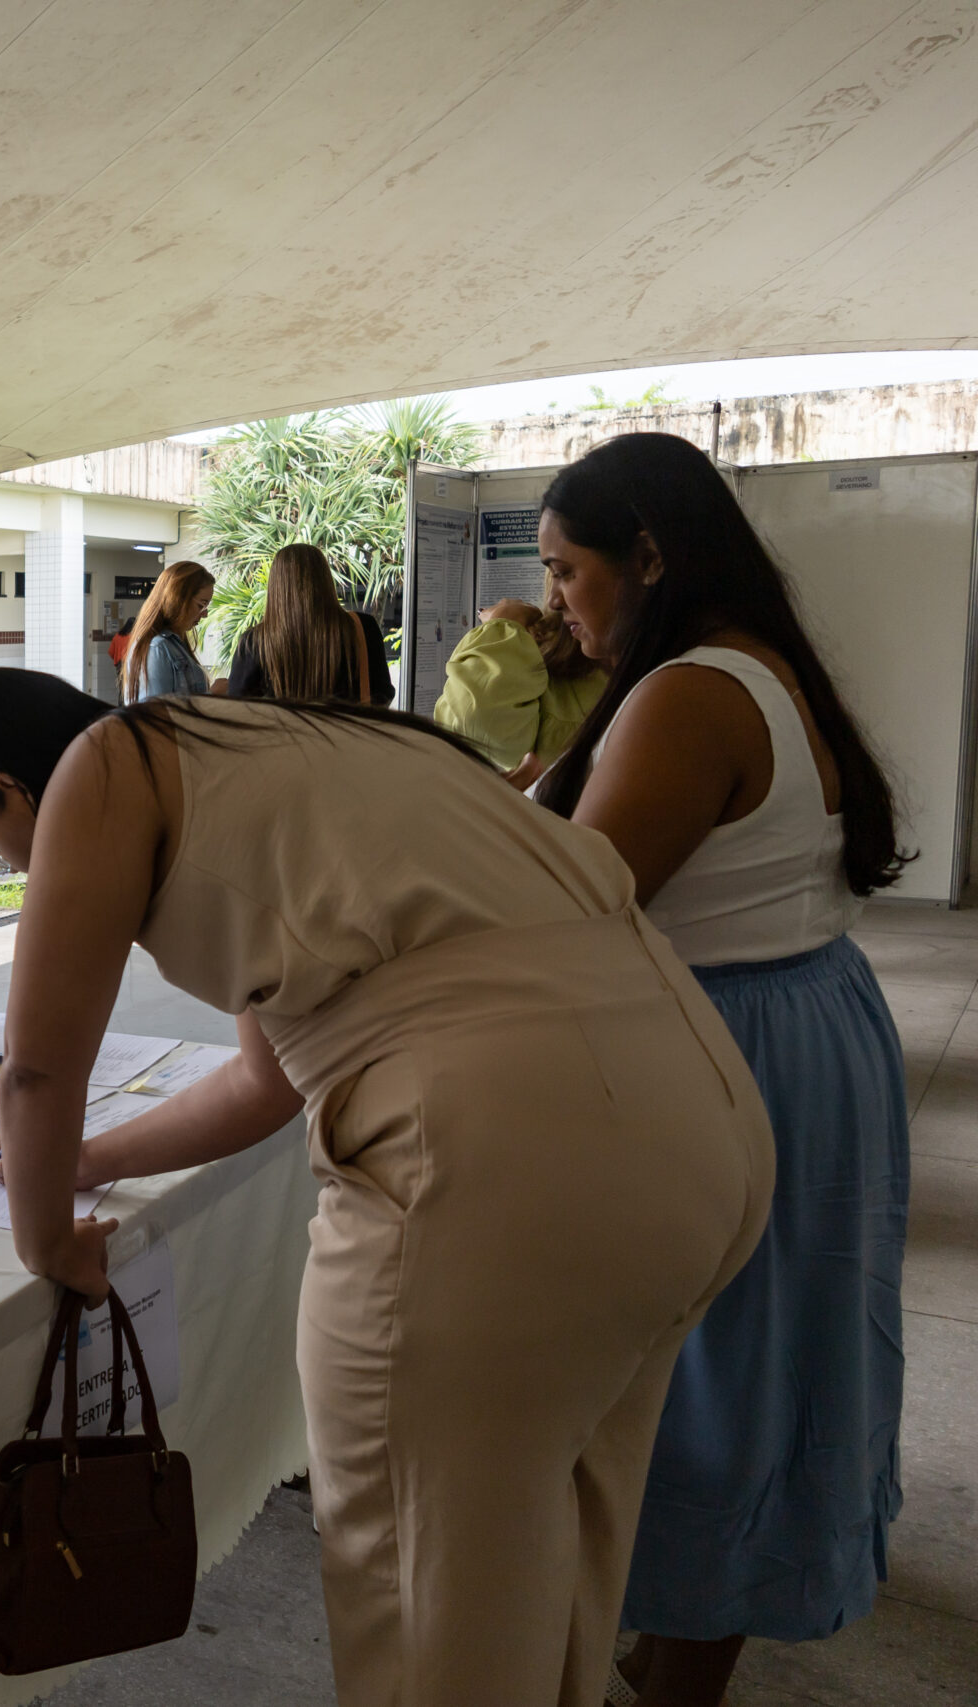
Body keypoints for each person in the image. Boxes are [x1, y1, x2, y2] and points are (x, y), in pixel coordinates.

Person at [0, 667, 771, 1707]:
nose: (1, 863)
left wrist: (46, 1236)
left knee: (423, 1596)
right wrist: (93, 1160)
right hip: (693, 1120)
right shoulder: (284, 749)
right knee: (554, 1545)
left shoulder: (108, 766)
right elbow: (263, 1083)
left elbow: (38, 1068)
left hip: (502, 1166)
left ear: (13, 791)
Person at [533, 433, 911, 1707]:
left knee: (717, 1376)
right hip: (795, 1028)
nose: (555, 605)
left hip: (735, 1048)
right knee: (767, 1351)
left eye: (567, 572)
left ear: (646, 557)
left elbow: (572, 912)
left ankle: (684, 1653)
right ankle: (684, 1634)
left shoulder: (689, 693)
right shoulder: (751, 664)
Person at [431, 598, 608, 776]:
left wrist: (502, 624)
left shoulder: (575, 696)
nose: (553, 599)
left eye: (566, 574)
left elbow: (474, 720)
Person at [225, 543, 394, 705]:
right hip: (346, 733)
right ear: (326, 578)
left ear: (276, 585)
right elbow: (382, 693)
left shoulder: (255, 641)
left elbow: (239, 704)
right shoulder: (362, 627)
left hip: (280, 735)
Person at [119, 559, 215, 701]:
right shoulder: (157, 648)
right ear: (178, 600)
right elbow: (156, 715)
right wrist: (213, 697)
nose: (205, 614)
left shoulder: (172, 644)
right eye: (201, 605)